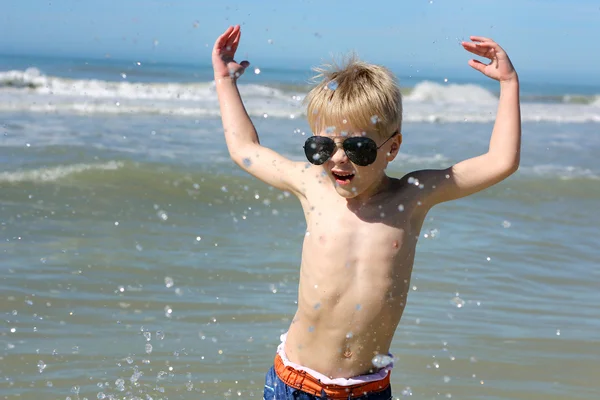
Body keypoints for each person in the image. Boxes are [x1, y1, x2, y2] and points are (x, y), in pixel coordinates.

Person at [212, 25, 521, 400]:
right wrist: (225, 81)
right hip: (294, 384)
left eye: (358, 148)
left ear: (392, 148)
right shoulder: (312, 185)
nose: (339, 159)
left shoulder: (411, 197)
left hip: (368, 391)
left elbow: (501, 161)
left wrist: (507, 84)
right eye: (323, 146)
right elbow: (244, 148)